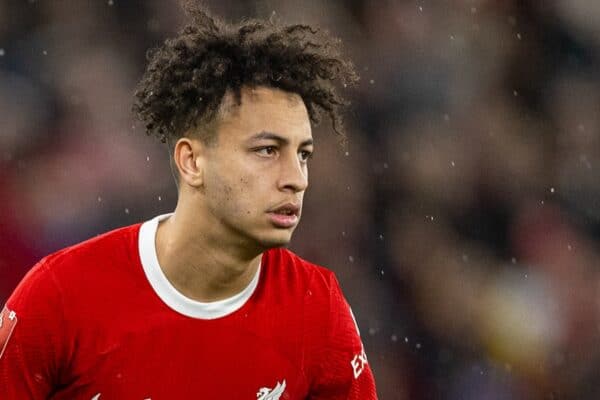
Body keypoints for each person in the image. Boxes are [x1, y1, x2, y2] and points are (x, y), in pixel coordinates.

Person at [0, 3, 377, 399]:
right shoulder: (59, 294)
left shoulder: (317, 308)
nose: (296, 179)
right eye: (267, 150)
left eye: (303, 155)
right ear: (192, 161)